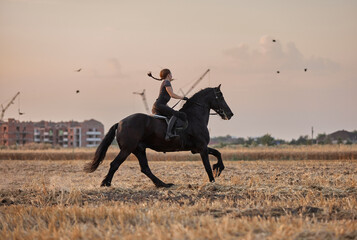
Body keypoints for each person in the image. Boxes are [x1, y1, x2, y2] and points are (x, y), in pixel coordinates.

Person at [148, 69, 188, 140]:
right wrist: (182, 97)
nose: (172, 76)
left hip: (158, 105)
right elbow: (172, 95)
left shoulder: (165, 82)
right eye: (171, 74)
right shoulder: (167, 82)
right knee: (176, 114)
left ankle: (170, 132)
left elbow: (163, 100)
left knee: (172, 114)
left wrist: (168, 108)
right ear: (168, 75)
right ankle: (168, 133)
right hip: (159, 106)